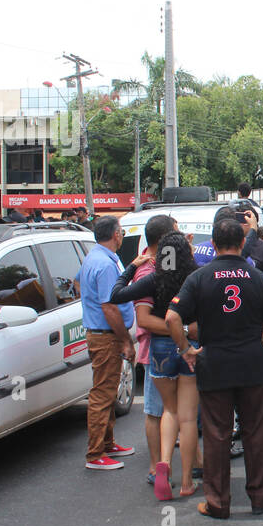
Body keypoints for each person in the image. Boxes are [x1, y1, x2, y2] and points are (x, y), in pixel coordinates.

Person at [167, 217, 263, 519]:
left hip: (214, 364)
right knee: (256, 431)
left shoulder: (199, 278)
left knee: (217, 433)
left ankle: (217, 502)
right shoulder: (256, 277)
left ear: (213, 244)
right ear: (243, 243)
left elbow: (172, 318)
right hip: (252, 364)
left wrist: (186, 350)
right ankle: (261, 497)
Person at [111, 228, 204, 500]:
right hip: (186, 348)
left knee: (169, 411)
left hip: (160, 349)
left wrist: (130, 267)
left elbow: (116, 295)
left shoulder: (154, 279)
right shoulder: (195, 278)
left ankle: (163, 463)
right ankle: (187, 481)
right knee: (188, 418)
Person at [111, 214, 175, 487]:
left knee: (175, 411)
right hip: (157, 350)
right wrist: (183, 332)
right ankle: (155, 466)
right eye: (174, 233)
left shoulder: (165, 266)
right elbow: (145, 319)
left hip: (171, 349)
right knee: (156, 411)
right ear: (162, 240)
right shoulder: (148, 272)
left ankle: (169, 465)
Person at [75, 215, 136, 470]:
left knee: (108, 389)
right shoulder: (106, 264)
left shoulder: (95, 257)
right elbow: (110, 307)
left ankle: (107, 443)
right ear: (115, 235)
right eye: (121, 232)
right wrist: (125, 341)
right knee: (102, 394)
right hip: (106, 336)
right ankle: (95, 453)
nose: (122, 236)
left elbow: (78, 282)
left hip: (101, 332)